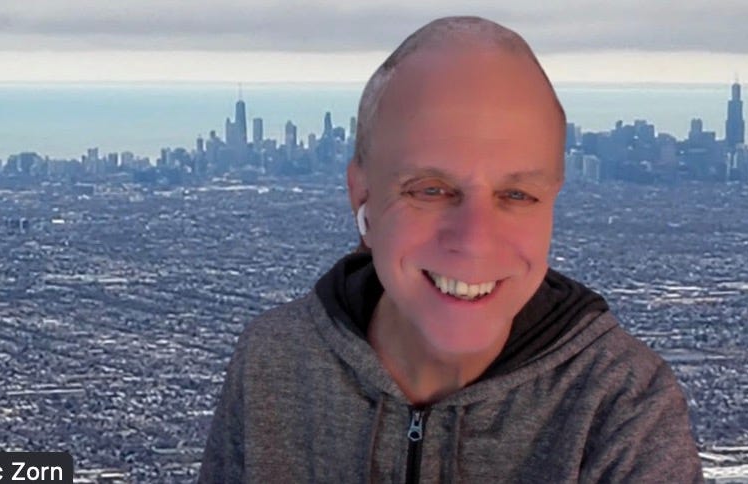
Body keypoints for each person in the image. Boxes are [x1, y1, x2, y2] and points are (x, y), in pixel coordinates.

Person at [199, 16, 700, 483]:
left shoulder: (620, 403)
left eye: (517, 195)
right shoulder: (273, 361)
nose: (474, 238)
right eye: (431, 190)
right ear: (362, 196)